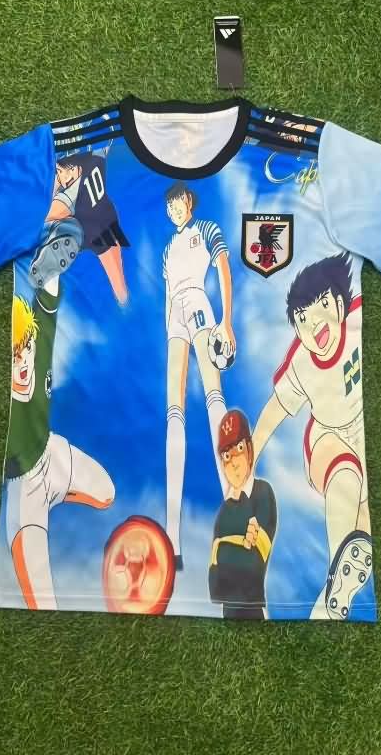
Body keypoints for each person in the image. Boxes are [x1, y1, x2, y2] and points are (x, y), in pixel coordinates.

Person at [252, 253, 372, 620]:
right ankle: (338, 570)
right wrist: (251, 456)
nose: (313, 322)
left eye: (321, 305)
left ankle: (330, 601)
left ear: (340, 303)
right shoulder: (301, 363)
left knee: (363, 533)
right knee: (345, 475)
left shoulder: (356, 319)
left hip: (360, 431)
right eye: (302, 319)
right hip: (326, 438)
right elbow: (275, 408)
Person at [5, 273, 115, 610]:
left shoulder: (35, 353)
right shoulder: (8, 394)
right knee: (42, 602)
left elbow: (46, 311)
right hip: (24, 487)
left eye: (26, 350)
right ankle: (47, 499)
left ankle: (58, 490)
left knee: (107, 493)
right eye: (15, 355)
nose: (23, 362)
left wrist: (51, 271)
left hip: (50, 450)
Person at [162, 181, 235, 569]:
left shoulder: (206, 229)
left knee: (212, 393)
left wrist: (227, 321)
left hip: (199, 304)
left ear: (189, 201)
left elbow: (222, 267)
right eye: (169, 206)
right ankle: (172, 536)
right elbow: (167, 293)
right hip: (175, 315)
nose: (174, 209)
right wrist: (167, 326)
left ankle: (232, 505)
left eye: (178, 202)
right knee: (174, 410)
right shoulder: (167, 249)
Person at [29, 152, 130, 305]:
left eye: (70, 170)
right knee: (120, 289)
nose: (65, 177)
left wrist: (55, 183)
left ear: (77, 166)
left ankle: (51, 256)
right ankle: (125, 303)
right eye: (60, 171)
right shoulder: (96, 157)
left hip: (81, 231)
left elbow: (44, 215)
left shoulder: (72, 192)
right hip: (108, 221)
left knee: (61, 225)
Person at [209, 409, 277, 620]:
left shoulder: (263, 492)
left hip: (254, 609)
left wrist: (224, 550)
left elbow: (254, 565)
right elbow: (214, 587)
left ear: (249, 449)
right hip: (227, 612)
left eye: (239, 448)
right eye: (226, 455)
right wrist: (241, 546)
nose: (233, 462)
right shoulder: (223, 511)